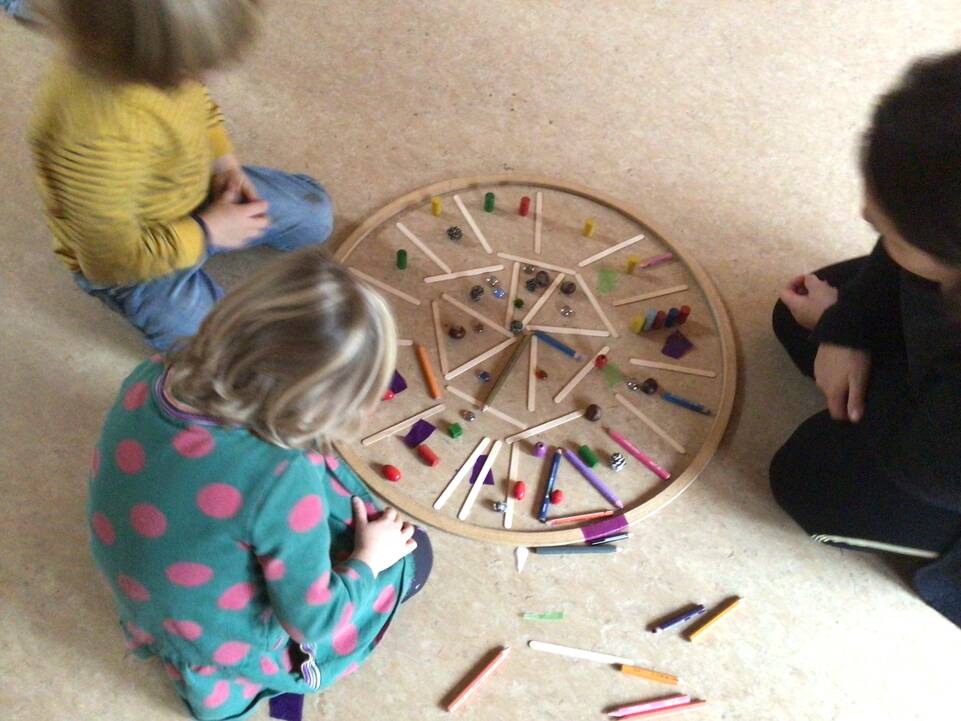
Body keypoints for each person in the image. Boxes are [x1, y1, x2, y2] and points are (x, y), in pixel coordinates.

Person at [87, 248, 431, 720]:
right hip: (210, 637)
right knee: (415, 555)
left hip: (143, 592)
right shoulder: (278, 475)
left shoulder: (154, 372)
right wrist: (370, 558)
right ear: (315, 408)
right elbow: (313, 621)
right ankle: (225, 695)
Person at [771, 50, 961, 627]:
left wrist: (856, 361)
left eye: (885, 225)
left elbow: (926, 465)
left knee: (810, 481)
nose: (862, 212)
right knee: (805, 307)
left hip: (943, 466)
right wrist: (847, 327)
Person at [30, 0, 333, 350]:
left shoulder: (152, 62)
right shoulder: (89, 139)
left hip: (191, 190)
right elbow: (109, 262)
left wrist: (226, 164)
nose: (210, 78)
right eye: (194, 70)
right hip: (135, 263)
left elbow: (198, 107)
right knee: (213, 348)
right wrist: (208, 231)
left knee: (315, 215)